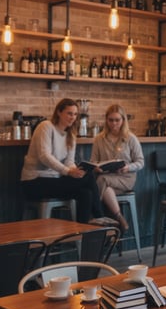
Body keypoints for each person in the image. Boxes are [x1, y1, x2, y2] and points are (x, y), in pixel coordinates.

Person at [20, 98, 105, 224]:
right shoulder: (46, 126)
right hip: (34, 181)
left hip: (55, 180)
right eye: (69, 113)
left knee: (86, 193)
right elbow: (44, 156)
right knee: (89, 178)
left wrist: (75, 171)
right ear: (59, 112)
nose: (73, 117)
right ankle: (100, 217)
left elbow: (69, 161)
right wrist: (68, 172)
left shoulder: (71, 134)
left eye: (75, 114)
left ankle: (83, 234)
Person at [90, 104, 145, 232]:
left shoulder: (131, 138)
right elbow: (93, 161)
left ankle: (97, 218)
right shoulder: (99, 139)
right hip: (107, 176)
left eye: (117, 120)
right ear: (106, 120)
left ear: (123, 120)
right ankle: (118, 218)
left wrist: (128, 167)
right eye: (111, 120)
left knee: (101, 181)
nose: (114, 123)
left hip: (125, 177)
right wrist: (96, 167)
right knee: (106, 187)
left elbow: (141, 162)